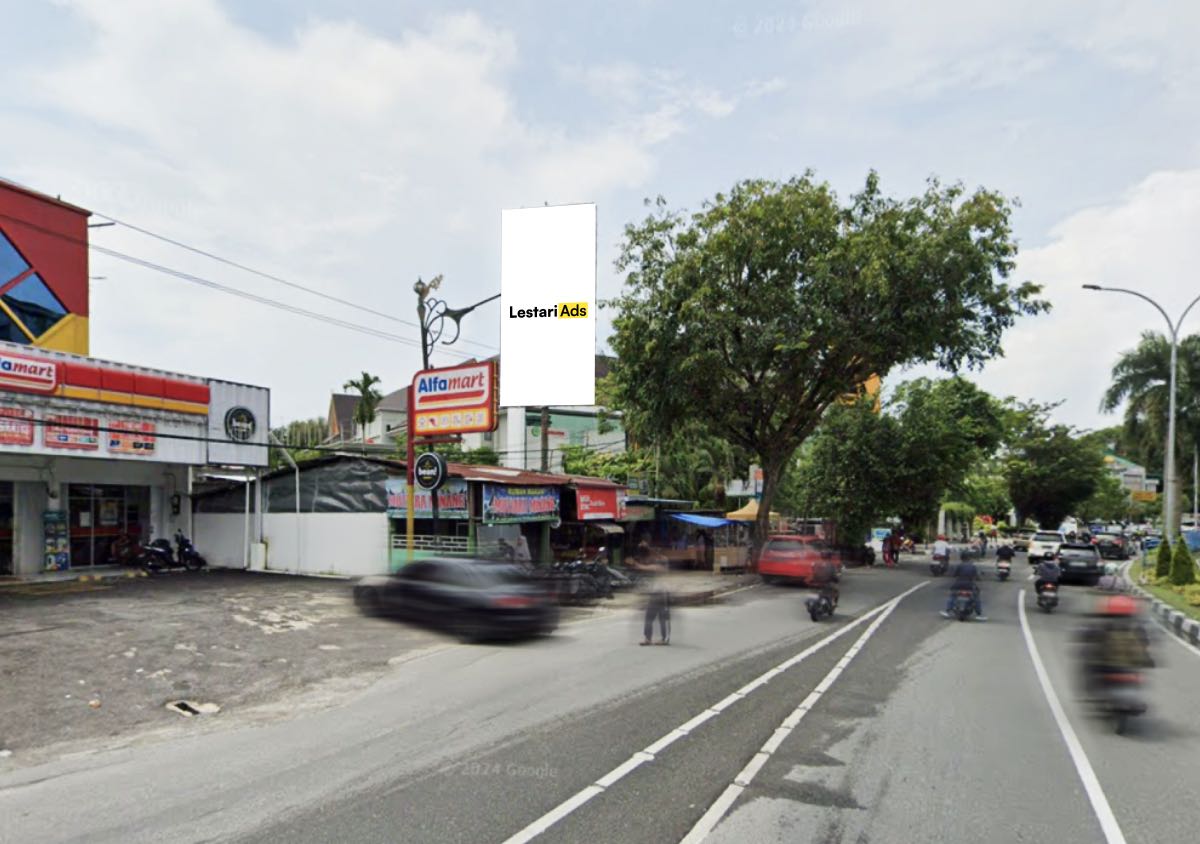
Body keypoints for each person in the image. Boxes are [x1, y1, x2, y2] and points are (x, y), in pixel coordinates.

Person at [630, 541, 670, 645]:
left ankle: (664, 638)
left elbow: (656, 568)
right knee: (649, 616)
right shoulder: (655, 560)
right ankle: (648, 638)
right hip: (654, 592)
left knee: (662, 617)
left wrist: (639, 565)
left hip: (662, 593)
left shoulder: (663, 562)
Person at [942, 549, 986, 620]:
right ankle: (979, 614)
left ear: (961, 557)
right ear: (969, 558)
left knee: (952, 596)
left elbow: (954, 575)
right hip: (969, 585)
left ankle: (947, 611)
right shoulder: (973, 566)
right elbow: (977, 577)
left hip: (958, 584)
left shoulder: (959, 566)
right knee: (976, 597)